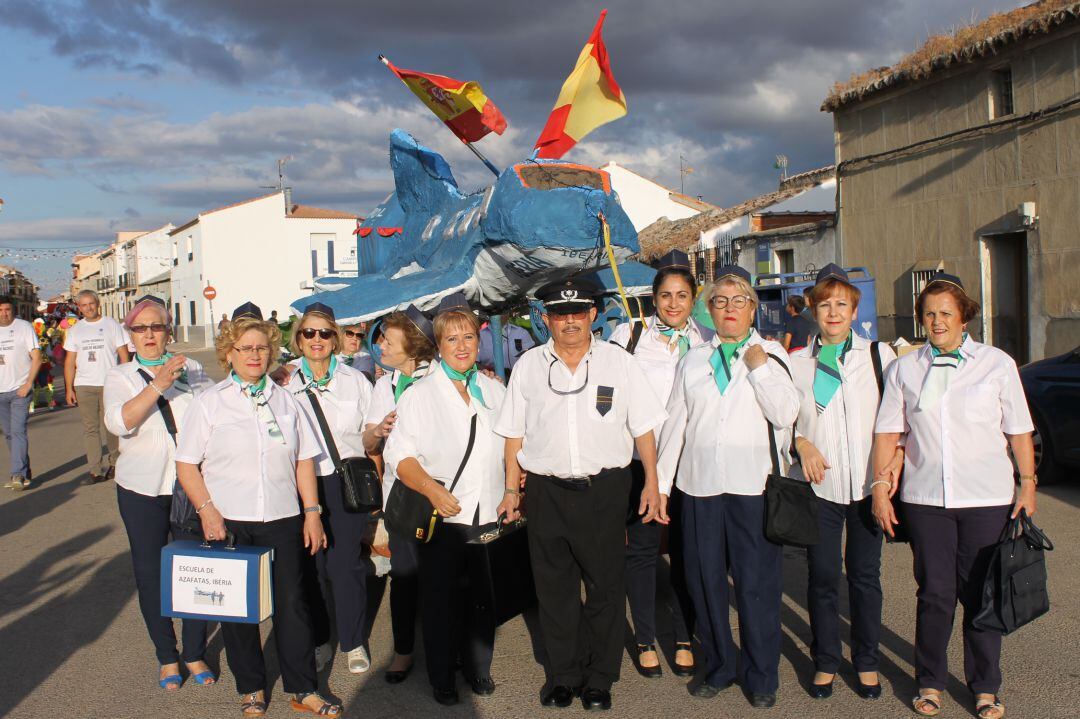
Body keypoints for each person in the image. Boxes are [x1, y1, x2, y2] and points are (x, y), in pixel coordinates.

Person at [495, 277, 667, 712]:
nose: (569, 321)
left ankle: (599, 678)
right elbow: (513, 433)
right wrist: (509, 489)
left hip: (605, 491)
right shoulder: (530, 366)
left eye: (578, 312)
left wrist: (652, 481)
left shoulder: (619, 363)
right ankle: (563, 675)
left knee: (606, 588)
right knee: (554, 590)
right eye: (559, 314)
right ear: (547, 319)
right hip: (547, 491)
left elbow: (643, 426)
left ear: (593, 314)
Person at [871, 273, 1036, 719]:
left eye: (946, 313)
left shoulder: (996, 363)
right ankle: (930, 682)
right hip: (926, 501)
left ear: (964, 317)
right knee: (935, 594)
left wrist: (1028, 482)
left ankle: (985, 687)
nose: (936, 321)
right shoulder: (904, 368)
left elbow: (1018, 429)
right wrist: (880, 489)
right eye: (929, 313)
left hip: (986, 498)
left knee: (982, 595)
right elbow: (889, 431)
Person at [175, 302, 341, 718]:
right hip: (229, 521)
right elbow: (185, 464)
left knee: (293, 607)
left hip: (283, 519)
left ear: (271, 354)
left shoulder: (287, 401)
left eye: (262, 349)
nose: (254, 355)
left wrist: (313, 511)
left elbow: (304, 459)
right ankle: (250, 689)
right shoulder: (210, 402)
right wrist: (208, 510)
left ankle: (303, 688)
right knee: (237, 613)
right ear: (229, 354)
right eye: (246, 348)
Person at [656, 265, 799, 708]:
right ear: (710, 310)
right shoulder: (693, 359)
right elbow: (676, 423)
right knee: (704, 583)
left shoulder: (771, 354)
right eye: (720, 302)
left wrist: (759, 369)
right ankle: (719, 664)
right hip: (698, 488)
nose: (729, 309)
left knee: (756, 585)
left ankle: (761, 676)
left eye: (739, 301)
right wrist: (660, 486)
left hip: (750, 488)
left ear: (753, 310)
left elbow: (786, 414)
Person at [384, 292, 507, 705]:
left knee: (482, 601)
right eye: (452, 340)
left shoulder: (494, 390)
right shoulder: (419, 395)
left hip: (487, 511)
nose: (461, 347)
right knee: (440, 601)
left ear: (478, 341)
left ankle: (479, 668)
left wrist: (514, 487)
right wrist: (433, 489)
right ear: (438, 346)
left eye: (468, 338)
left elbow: (512, 442)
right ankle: (442, 676)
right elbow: (398, 456)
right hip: (442, 517)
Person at [788, 264, 902, 700]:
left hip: (867, 490)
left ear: (854, 310)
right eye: (824, 304)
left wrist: (889, 471)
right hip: (819, 491)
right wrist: (800, 441)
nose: (832, 312)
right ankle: (826, 660)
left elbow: (899, 420)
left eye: (841, 304)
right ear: (813, 311)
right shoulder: (798, 363)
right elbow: (781, 420)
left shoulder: (878, 357)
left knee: (864, 577)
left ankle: (867, 662)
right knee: (821, 577)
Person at [103, 295, 216, 691]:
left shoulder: (194, 367)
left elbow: (218, 410)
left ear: (169, 331)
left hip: (189, 485)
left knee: (195, 570)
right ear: (130, 335)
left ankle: (195, 651)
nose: (149, 335)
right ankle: (167, 656)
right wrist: (160, 384)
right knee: (151, 574)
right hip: (141, 488)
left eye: (157, 327)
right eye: (140, 328)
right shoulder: (119, 376)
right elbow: (121, 423)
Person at [607, 250, 708, 679]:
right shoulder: (627, 336)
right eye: (665, 295)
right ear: (653, 298)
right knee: (644, 553)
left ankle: (685, 636)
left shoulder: (708, 338)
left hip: (690, 465)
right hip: (639, 464)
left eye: (682, 295)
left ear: (693, 297)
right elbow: (605, 393)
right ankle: (646, 638)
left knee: (688, 554)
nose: (672, 303)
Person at [284, 303, 375, 675]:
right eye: (309, 333)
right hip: (300, 483)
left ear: (336, 339)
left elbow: (368, 437)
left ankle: (353, 642)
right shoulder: (285, 384)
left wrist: (380, 431)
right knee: (313, 566)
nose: (317, 339)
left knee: (345, 564)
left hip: (346, 481)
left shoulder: (356, 381)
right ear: (299, 339)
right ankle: (322, 639)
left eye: (324, 333)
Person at [361, 305, 438, 685]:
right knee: (404, 576)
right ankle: (404, 650)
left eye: (386, 339)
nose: (380, 345)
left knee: (445, 576)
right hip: (402, 498)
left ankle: (447, 650)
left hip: (442, 494)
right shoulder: (384, 384)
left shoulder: (442, 377)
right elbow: (367, 441)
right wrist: (380, 429)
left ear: (411, 345)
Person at [64, 289, 130, 484]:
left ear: (97, 303)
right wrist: (69, 388)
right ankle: (95, 470)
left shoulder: (111, 325)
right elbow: (69, 362)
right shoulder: (75, 330)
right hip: (84, 385)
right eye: (84, 305)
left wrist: (125, 380)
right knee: (90, 429)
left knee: (111, 426)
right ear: (79, 308)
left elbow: (124, 354)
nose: (88, 308)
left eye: (91, 303)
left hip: (109, 383)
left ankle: (116, 464)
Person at [0, 296, 41, 490]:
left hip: (19, 390)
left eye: (7, 309)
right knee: (8, 434)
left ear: (12, 310)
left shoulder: (24, 327)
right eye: (0, 310)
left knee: (17, 431)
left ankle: (17, 474)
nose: (4, 313)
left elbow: (37, 357)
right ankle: (24, 470)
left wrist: (28, 384)